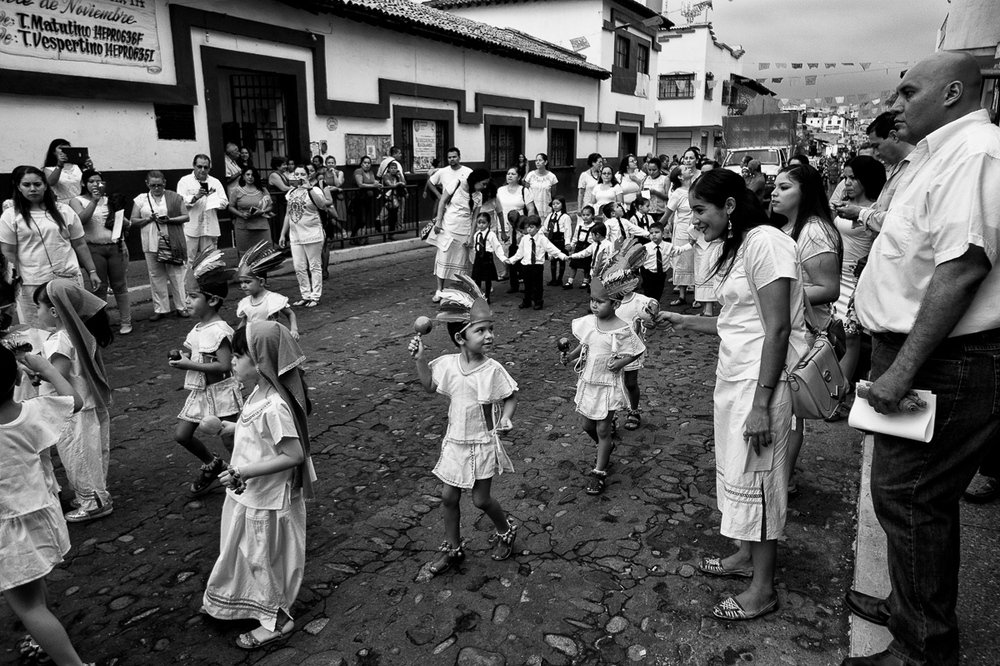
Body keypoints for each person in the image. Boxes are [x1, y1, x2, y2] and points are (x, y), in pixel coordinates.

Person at [844, 52, 1000, 666]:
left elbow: (961, 270)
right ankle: (911, 606)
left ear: (954, 91)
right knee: (905, 496)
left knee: (911, 496)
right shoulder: (936, 155)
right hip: (918, 351)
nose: (898, 102)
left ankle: (922, 644)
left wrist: (902, 370)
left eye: (909, 91)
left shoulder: (975, 153)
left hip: (943, 359)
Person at [658, 168, 808, 622]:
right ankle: (745, 555)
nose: (694, 221)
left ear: (728, 206)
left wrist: (763, 403)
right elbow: (737, 322)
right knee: (740, 476)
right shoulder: (741, 245)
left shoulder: (766, 242)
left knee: (759, 481)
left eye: (699, 211)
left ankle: (763, 589)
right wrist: (681, 321)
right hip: (738, 379)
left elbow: (778, 327)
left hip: (762, 386)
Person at [201, 321, 314, 650]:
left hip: (266, 498)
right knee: (246, 554)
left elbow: (294, 454)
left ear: (261, 361)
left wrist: (246, 472)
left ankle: (279, 619)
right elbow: (257, 432)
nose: (232, 362)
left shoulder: (275, 406)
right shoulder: (259, 395)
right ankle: (241, 600)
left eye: (238, 355)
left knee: (260, 558)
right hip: (251, 495)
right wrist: (227, 426)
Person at [409, 277, 519, 575]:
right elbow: (429, 386)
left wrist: (506, 417)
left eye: (490, 329)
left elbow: (510, 396)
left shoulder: (493, 370)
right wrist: (420, 359)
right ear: (461, 337)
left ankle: (506, 528)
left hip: (482, 441)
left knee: (481, 499)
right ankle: (452, 547)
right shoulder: (446, 364)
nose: (489, 336)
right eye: (480, 330)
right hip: (456, 440)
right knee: (448, 497)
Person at [0, 345, 96, 666]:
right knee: (35, 589)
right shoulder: (33, 411)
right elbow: (75, 401)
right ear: (16, 377)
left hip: (8, 527)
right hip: (42, 513)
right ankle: (41, 637)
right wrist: (47, 369)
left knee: (28, 607)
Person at [769, 163, 842, 492]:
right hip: (787, 326)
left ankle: (782, 482)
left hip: (804, 331)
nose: (774, 192)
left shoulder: (815, 230)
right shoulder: (787, 227)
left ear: (806, 192)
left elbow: (828, 287)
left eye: (785, 187)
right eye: (775, 185)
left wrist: (777, 294)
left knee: (791, 410)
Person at [560, 254, 645, 495]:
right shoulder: (589, 323)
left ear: (615, 304)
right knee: (588, 425)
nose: (594, 305)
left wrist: (621, 363)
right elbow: (585, 346)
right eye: (592, 301)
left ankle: (599, 471)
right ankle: (604, 449)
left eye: (600, 302)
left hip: (607, 385)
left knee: (603, 429)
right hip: (588, 381)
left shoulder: (622, 329)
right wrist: (571, 356)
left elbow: (638, 351)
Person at [33, 279, 114, 522]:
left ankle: (93, 502)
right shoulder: (76, 333)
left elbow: (57, 374)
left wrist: (35, 369)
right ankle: (93, 496)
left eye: (39, 307)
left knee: (78, 455)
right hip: (85, 403)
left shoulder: (59, 339)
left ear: (54, 312)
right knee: (91, 454)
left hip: (71, 408)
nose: (36, 312)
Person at [169, 249, 242, 497]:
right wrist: (182, 358)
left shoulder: (220, 330)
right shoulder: (198, 328)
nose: (187, 301)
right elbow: (193, 354)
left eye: (192, 296)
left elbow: (224, 366)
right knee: (182, 435)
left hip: (222, 393)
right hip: (200, 392)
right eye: (187, 296)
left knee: (231, 439)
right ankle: (213, 464)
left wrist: (189, 365)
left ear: (211, 300)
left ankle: (244, 474)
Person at [0, 166, 100, 327]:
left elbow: (80, 243)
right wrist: (12, 283)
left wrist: (92, 271)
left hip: (67, 278)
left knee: (73, 327)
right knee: (39, 331)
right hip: (31, 283)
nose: (32, 189)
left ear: (45, 185)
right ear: (18, 187)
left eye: (37, 184)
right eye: (27, 185)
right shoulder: (11, 215)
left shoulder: (64, 210)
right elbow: (8, 252)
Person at [830, 156, 884, 384]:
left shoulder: (875, 210)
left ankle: (838, 394)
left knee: (852, 338)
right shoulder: (844, 204)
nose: (847, 182)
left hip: (857, 279)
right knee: (836, 335)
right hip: (837, 276)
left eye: (853, 178)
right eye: (845, 177)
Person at [70, 170, 132, 335]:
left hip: (114, 246)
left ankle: (126, 321)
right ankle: (102, 324)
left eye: (99, 181)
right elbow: (81, 220)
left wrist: (125, 224)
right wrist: (94, 201)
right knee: (100, 287)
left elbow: (122, 223)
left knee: (120, 285)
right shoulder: (77, 201)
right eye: (91, 181)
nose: (95, 184)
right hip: (93, 248)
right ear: (84, 183)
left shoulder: (110, 200)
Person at [833, 111, 915, 235]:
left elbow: (901, 221)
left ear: (894, 136)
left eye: (877, 146)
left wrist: (859, 213)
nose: (876, 153)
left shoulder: (914, 170)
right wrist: (858, 211)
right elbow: (881, 210)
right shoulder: (895, 169)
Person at [130, 171, 190, 321]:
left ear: (164, 183)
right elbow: (133, 220)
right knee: (156, 276)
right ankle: (161, 309)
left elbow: (186, 216)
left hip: (172, 242)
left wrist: (170, 220)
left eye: (159, 184)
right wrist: (149, 219)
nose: (156, 188)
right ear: (147, 184)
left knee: (177, 275)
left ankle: (181, 307)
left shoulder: (174, 197)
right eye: (153, 185)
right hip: (150, 243)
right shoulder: (141, 199)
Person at [431, 168, 492, 302]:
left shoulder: (478, 196)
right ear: (475, 180)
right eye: (483, 183)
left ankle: (455, 292)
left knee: (460, 263)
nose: (484, 187)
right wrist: (439, 222)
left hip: (464, 231)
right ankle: (439, 290)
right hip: (448, 228)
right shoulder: (456, 183)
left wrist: (471, 236)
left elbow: (475, 218)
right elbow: (442, 202)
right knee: (443, 259)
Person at [280, 167, 329, 308]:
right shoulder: (291, 193)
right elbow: (288, 214)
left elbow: (322, 206)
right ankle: (305, 295)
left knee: (314, 265)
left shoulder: (315, 190)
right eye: (297, 174)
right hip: (295, 235)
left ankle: (315, 296)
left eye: (302, 174)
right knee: (299, 266)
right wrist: (283, 234)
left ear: (308, 176)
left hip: (312, 233)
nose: (299, 177)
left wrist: (309, 189)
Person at [616, 275, 659, 430]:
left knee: (630, 382)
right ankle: (610, 418)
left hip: (631, 348)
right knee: (611, 384)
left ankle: (633, 411)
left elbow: (652, 320)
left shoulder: (640, 301)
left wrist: (650, 322)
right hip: (610, 346)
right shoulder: (609, 299)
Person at [176, 154, 229, 282]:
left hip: (210, 225)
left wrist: (214, 200)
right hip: (191, 226)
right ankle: (187, 290)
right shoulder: (185, 181)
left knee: (210, 260)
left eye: (206, 167)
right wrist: (196, 197)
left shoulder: (215, 182)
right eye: (199, 166)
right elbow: (179, 201)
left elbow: (225, 201)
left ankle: (208, 288)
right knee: (188, 260)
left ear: (209, 168)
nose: (202, 170)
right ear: (194, 166)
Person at [235, 241, 299, 339]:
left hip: (272, 339)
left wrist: (294, 329)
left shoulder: (272, 299)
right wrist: (236, 337)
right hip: (253, 340)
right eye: (241, 282)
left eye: (247, 282)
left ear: (261, 282)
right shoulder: (246, 303)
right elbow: (244, 321)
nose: (243, 286)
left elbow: (290, 313)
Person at [504, 214, 568, 310]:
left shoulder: (542, 239)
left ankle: (538, 301)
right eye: (527, 227)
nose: (529, 230)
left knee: (537, 285)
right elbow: (520, 253)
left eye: (532, 227)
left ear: (538, 228)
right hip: (526, 265)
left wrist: (562, 255)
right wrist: (512, 260)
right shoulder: (524, 239)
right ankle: (527, 301)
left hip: (537, 265)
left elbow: (551, 248)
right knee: (527, 284)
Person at [663, 166, 696, 306]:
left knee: (696, 263)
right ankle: (682, 296)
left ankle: (697, 298)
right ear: (680, 177)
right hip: (682, 232)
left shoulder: (695, 190)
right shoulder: (677, 193)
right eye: (685, 169)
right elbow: (667, 214)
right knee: (682, 262)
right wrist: (656, 230)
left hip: (697, 230)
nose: (689, 168)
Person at [227, 166, 273, 257]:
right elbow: (230, 207)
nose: (250, 177)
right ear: (243, 176)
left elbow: (270, 206)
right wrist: (241, 214)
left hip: (261, 227)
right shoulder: (237, 191)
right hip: (243, 227)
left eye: (252, 175)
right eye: (247, 174)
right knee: (246, 256)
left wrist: (262, 211)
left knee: (264, 255)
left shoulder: (262, 190)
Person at [640, 221, 688, 302]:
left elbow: (679, 250)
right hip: (648, 274)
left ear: (663, 233)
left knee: (658, 294)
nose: (654, 234)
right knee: (648, 295)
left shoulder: (669, 246)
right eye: (651, 233)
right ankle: (648, 310)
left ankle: (655, 308)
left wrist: (690, 244)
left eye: (657, 232)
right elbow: (639, 261)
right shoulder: (645, 247)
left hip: (661, 274)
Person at [42, 139, 93, 204]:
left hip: (80, 201)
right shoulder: (49, 169)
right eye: (61, 148)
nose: (64, 151)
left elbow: (88, 181)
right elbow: (51, 183)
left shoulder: (77, 166)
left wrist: (90, 168)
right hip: (63, 203)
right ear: (53, 152)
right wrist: (59, 166)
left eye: (68, 149)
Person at [349, 155, 381, 245]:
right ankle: (354, 237)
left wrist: (378, 184)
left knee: (364, 219)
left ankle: (360, 237)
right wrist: (373, 186)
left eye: (369, 163)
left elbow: (374, 181)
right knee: (361, 220)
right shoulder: (358, 171)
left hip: (368, 199)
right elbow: (360, 184)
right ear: (361, 163)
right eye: (365, 163)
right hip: (359, 199)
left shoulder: (371, 172)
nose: (367, 165)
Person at [543, 196, 572, 287]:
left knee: (562, 260)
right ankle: (553, 279)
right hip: (552, 239)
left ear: (562, 205)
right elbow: (545, 227)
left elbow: (568, 230)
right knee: (553, 260)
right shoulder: (550, 216)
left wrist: (567, 242)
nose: (555, 206)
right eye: (553, 204)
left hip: (561, 240)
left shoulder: (565, 217)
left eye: (557, 203)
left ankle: (560, 279)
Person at [565, 206, 596, 289]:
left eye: (588, 215)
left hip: (588, 247)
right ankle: (570, 281)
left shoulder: (594, 227)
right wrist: (572, 245)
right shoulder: (579, 226)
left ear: (593, 215)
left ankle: (585, 281)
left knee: (586, 266)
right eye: (583, 215)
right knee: (573, 265)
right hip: (579, 246)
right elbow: (575, 237)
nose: (585, 217)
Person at [522, 153, 558, 218]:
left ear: (545, 162)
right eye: (536, 160)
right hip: (533, 209)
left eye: (540, 160)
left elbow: (553, 194)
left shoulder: (552, 177)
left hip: (546, 208)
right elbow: (526, 191)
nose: (537, 162)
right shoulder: (530, 175)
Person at [380, 160, 407, 241]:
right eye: (391, 168)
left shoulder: (397, 176)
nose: (393, 170)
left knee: (393, 217)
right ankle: (378, 227)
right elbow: (389, 184)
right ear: (388, 169)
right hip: (388, 198)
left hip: (396, 199)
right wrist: (398, 184)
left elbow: (404, 183)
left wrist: (400, 177)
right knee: (384, 215)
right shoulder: (386, 176)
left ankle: (391, 233)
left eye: (395, 168)